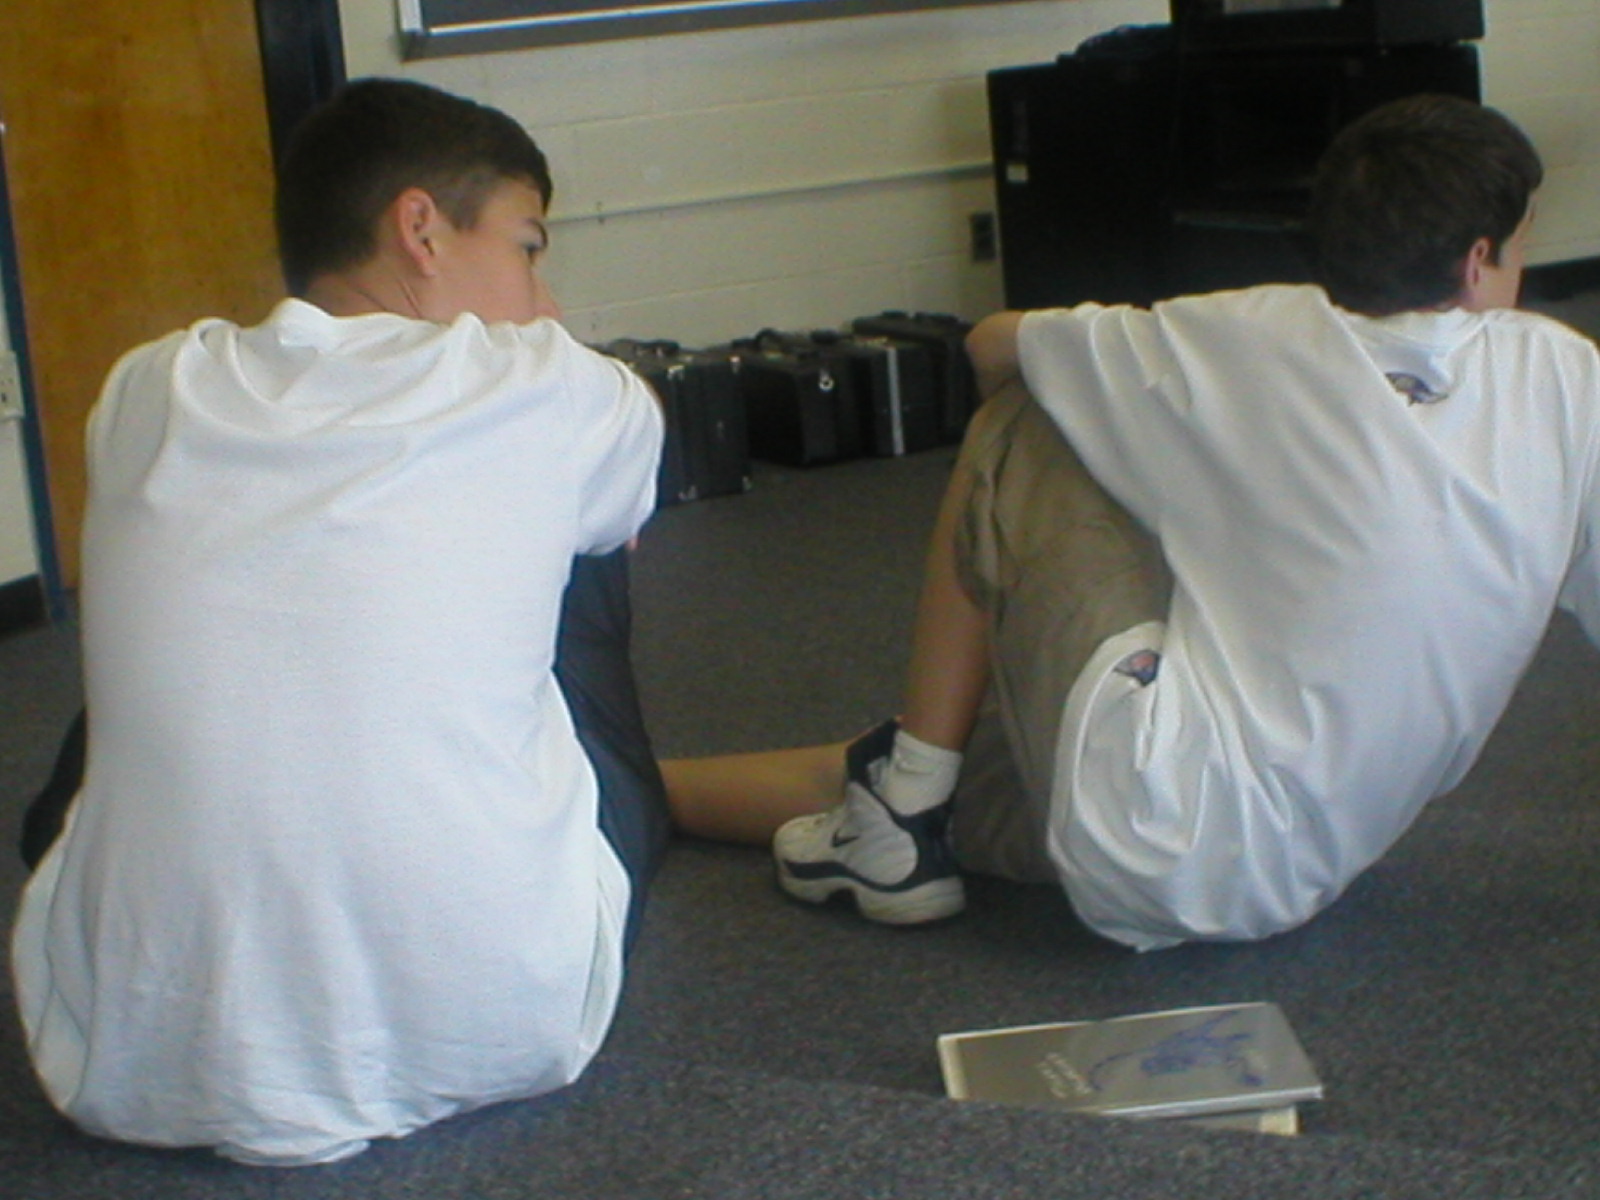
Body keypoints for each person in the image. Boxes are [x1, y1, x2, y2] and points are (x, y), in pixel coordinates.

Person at [663, 94, 1600, 950]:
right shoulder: (1566, 376)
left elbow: (992, 346)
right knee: (908, 767)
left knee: (1028, 409)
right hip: (1299, 866)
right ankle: (651, 792)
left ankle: (904, 804)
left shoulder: (1255, 334)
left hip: (1154, 817)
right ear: (1478, 263)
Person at [11, 78, 670, 1165]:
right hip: (506, 1024)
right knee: (585, 551)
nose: (543, 301)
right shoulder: (550, 380)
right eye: (526, 247)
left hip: (124, 1058)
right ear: (421, 228)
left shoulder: (146, 384)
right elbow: (622, 522)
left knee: (201, 639)